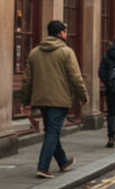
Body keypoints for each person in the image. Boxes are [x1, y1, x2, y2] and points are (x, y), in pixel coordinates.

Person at [21, 20, 88, 179]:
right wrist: (83, 96)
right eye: (65, 31)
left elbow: (27, 80)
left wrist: (26, 101)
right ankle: (43, 167)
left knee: (52, 130)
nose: (66, 33)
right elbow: (75, 77)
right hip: (59, 99)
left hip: (41, 99)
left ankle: (63, 161)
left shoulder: (35, 52)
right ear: (61, 33)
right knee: (52, 131)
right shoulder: (66, 52)